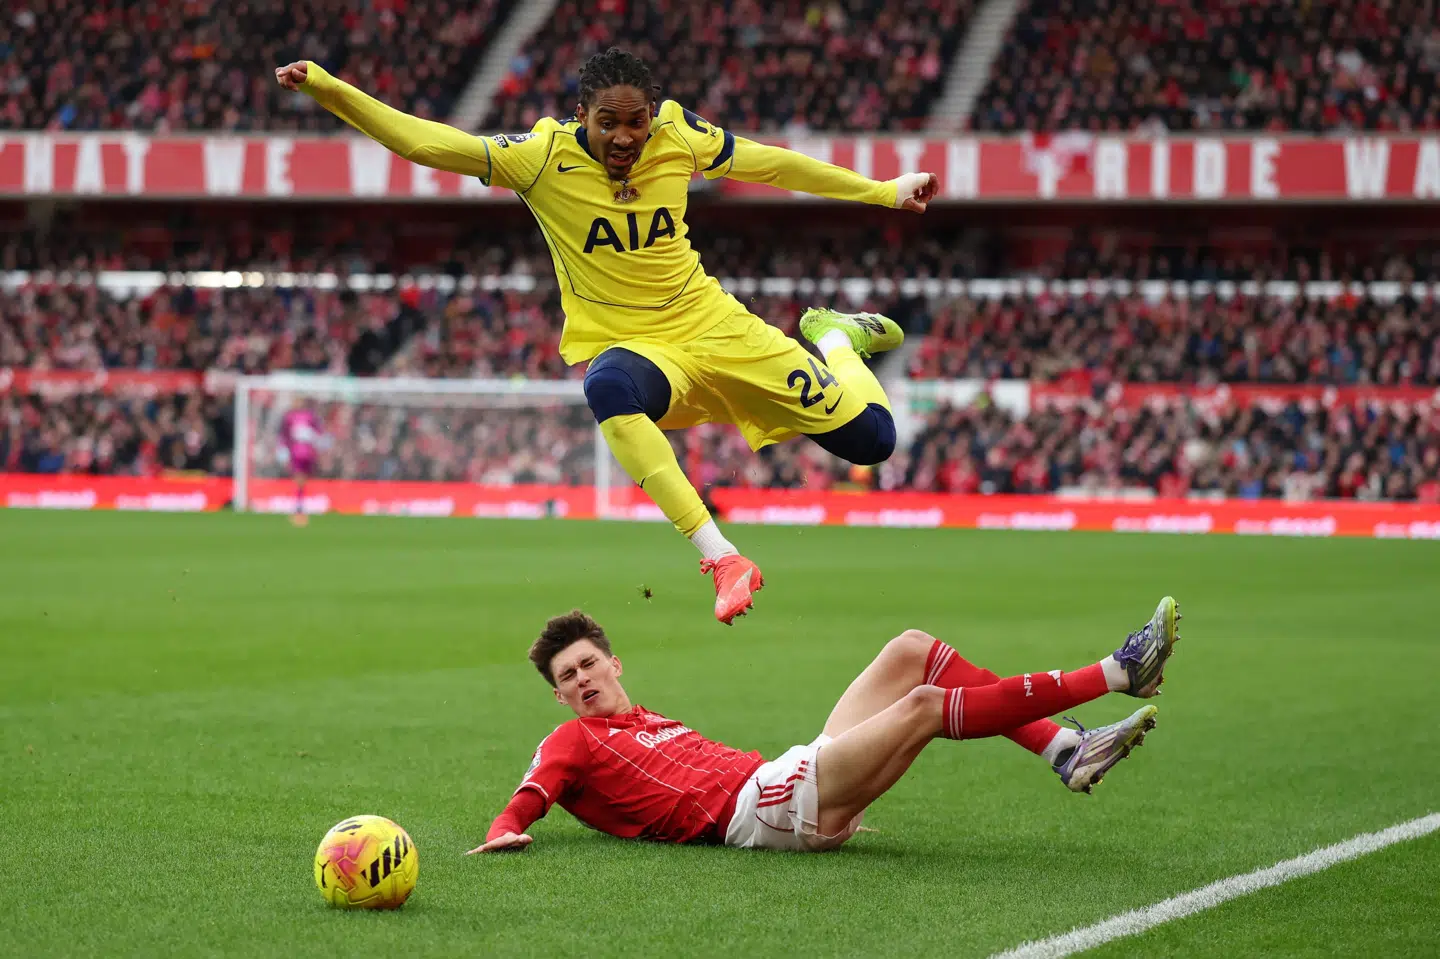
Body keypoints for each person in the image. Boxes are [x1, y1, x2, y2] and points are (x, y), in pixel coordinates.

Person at [275, 48, 940, 624]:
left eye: (637, 122)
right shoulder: (540, 159)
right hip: (640, 347)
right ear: (581, 117)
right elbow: (425, 143)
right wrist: (327, 87)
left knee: (873, 441)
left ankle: (836, 340)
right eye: (610, 123)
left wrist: (882, 192)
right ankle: (723, 557)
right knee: (608, 384)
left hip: (716, 324)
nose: (626, 137)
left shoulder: (679, 135)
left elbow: (770, 166)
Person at [466, 598, 1181, 855]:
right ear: (561, 697)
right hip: (766, 808)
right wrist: (504, 828)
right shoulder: (575, 738)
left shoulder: (651, 721)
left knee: (910, 649)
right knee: (925, 706)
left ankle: (1064, 746)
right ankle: (1119, 672)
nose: (582, 679)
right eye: (568, 677)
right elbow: (534, 790)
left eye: (587, 663)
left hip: (783, 776)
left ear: (615, 662)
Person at [278, 399, 325, 527]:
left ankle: (300, 507)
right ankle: (299, 508)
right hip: (298, 453)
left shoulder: (309, 416)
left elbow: (319, 432)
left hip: (305, 453)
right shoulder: (291, 417)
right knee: (299, 479)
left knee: (303, 480)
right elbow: (284, 435)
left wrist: (314, 440)